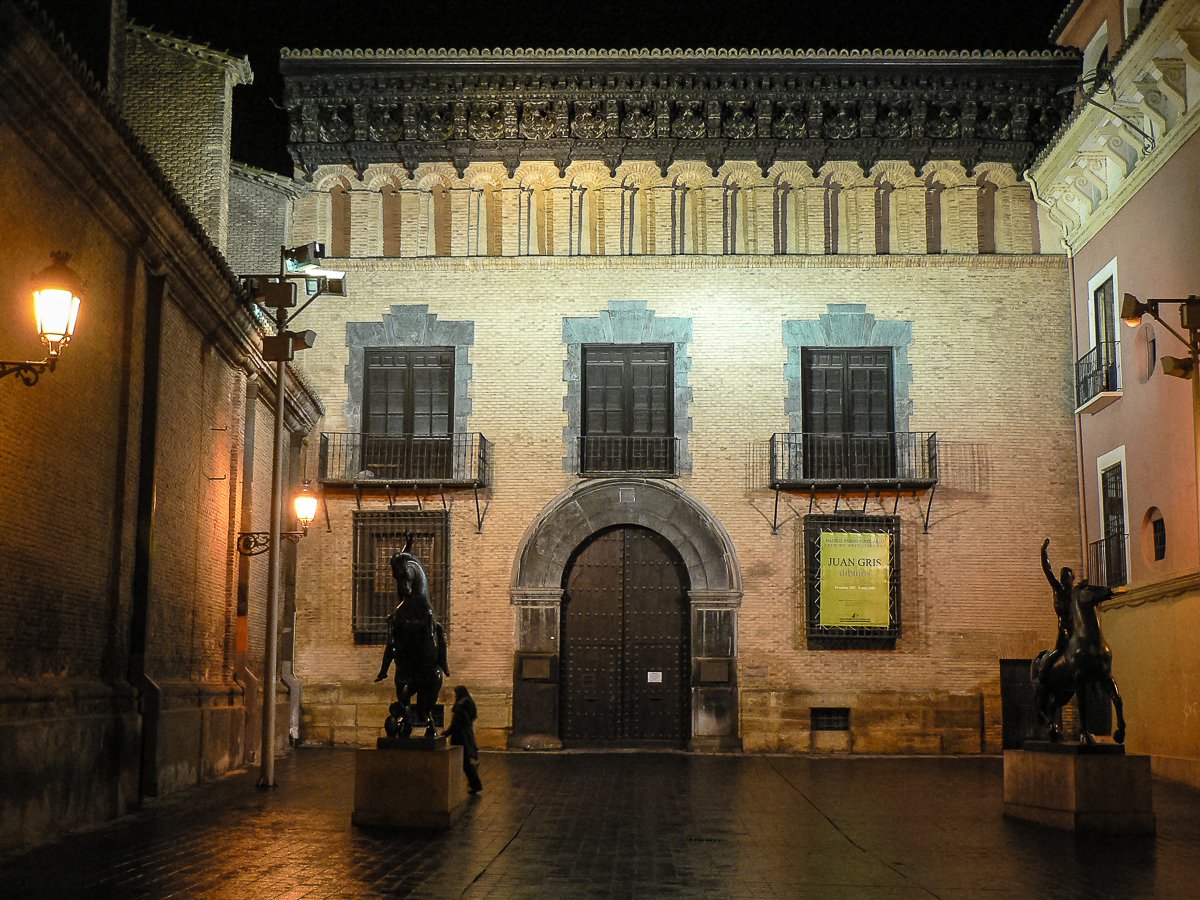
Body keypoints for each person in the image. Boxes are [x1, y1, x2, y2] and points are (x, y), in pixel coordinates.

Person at [1038, 538, 1075, 685]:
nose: (1063, 578)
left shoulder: (1076, 593)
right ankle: (1043, 673)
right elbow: (1047, 570)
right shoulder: (1057, 589)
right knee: (1059, 650)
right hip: (1065, 626)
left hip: (1077, 626)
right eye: (1062, 576)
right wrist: (1043, 551)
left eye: (1066, 576)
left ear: (1072, 578)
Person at [444, 685, 482, 794]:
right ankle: (474, 784)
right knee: (465, 762)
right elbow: (472, 716)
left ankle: (474, 785)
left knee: (462, 762)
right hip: (467, 735)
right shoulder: (470, 702)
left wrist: (447, 733)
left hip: (460, 737)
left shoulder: (461, 704)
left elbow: (456, 721)